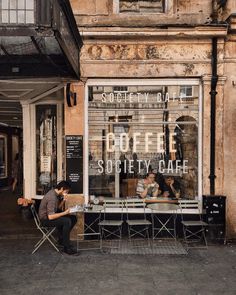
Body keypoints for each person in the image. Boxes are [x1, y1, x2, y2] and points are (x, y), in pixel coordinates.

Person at [38, 181, 78, 255]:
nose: (67, 193)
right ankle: (66, 248)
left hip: (49, 216)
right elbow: (50, 216)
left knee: (73, 218)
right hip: (45, 220)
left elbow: (56, 208)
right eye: (67, 191)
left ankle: (62, 239)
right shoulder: (52, 197)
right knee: (67, 221)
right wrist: (65, 213)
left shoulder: (55, 194)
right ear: (62, 188)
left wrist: (63, 200)